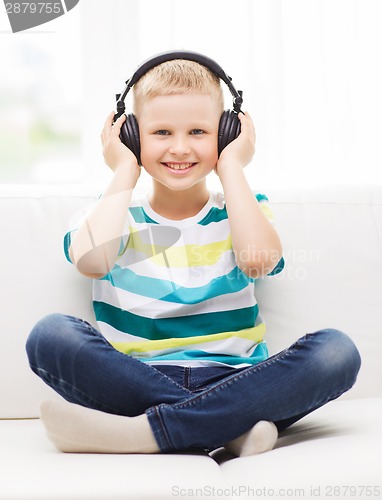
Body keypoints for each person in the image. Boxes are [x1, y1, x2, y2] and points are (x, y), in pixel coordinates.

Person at [26, 53, 361, 456]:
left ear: (227, 133)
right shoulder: (110, 213)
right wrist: (123, 171)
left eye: (199, 131)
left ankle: (150, 433)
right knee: (50, 335)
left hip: (237, 380)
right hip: (138, 380)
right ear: (131, 135)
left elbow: (258, 260)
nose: (180, 148)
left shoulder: (243, 209)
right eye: (161, 132)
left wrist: (233, 166)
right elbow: (93, 262)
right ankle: (230, 428)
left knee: (337, 351)